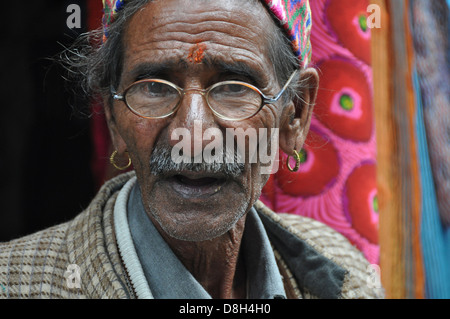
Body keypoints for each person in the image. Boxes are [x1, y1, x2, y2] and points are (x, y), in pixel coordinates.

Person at [0, 0, 384, 299]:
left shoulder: (343, 270)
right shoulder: (15, 283)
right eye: (154, 86)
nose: (194, 134)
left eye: (235, 86)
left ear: (295, 115)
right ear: (114, 118)